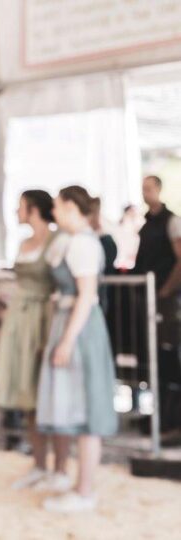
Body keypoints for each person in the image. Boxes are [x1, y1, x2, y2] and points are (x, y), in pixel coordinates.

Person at [36, 186, 118, 513]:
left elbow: (86, 295)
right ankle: (72, 482)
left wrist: (68, 340)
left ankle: (85, 491)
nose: (54, 212)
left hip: (80, 330)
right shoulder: (73, 241)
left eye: (57, 206)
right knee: (74, 405)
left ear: (71, 206)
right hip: (70, 323)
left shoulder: (82, 244)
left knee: (86, 408)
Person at [0, 190, 68, 491]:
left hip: (44, 318)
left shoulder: (57, 240)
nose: (16, 211)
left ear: (33, 208)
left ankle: (60, 469)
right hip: (19, 321)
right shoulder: (24, 243)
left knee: (50, 396)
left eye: (20, 206)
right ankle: (39, 465)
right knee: (27, 398)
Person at [132, 175, 181, 433]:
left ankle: (171, 417)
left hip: (164, 299)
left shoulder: (171, 221)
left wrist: (166, 290)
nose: (145, 193)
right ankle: (159, 415)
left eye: (149, 189)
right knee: (152, 357)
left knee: (166, 356)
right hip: (149, 297)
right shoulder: (147, 223)